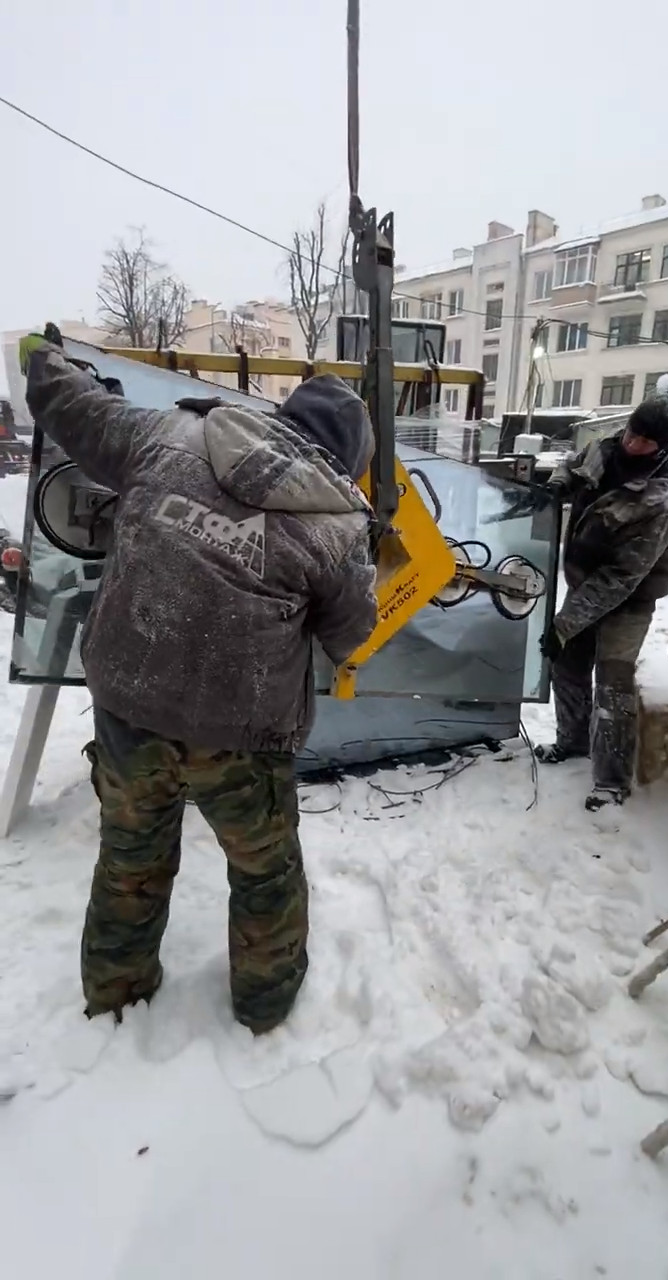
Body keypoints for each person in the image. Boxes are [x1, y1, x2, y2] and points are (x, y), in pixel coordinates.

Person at [19, 333, 378, 1030]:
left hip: (129, 704)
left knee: (130, 859)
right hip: (241, 738)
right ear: (351, 461)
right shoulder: (338, 529)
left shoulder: (168, 435)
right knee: (265, 873)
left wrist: (46, 360)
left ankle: (117, 997)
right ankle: (266, 1005)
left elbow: (74, 409)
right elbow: (348, 635)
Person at [535, 391, 668, 812]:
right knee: (566, 663)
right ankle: (572, 740)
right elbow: (576, 465)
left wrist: (566, 621)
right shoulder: (606, 447)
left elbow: (621, 578)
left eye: (645, 441)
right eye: (633, 433)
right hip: (585, 583)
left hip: (629, 600)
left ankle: (611, 781)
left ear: (666, 445)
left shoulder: (663, 500)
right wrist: (556, 484)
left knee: (613, 683)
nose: (633, 444)